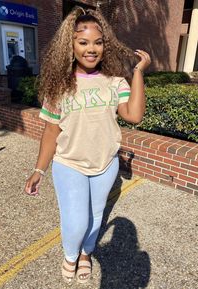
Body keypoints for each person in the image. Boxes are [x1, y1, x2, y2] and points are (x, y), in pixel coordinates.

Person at [24, 6, 151, 285]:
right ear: (70, 46)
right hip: (69, 164)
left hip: (105, 163)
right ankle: (70, 255)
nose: (91, 49)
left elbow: (134, 115)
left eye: (98, 42)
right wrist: (39, 170)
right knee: (77, 220)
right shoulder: (60, 86)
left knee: (95, 216)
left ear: (105, 45)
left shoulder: (114, 82)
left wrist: (138, 73)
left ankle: (86, 253)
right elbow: (50, 133)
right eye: (83, 42)